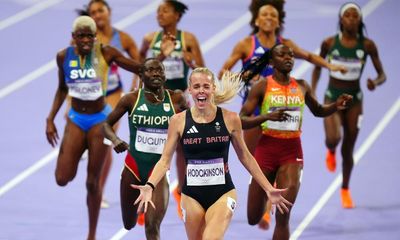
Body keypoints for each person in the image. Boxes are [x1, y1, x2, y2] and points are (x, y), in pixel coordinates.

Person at [218, 0, 347, 229]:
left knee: (283, 179)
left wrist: (331, 67)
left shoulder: (285, 46)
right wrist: (243, 79)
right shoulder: (246, 44)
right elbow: (225, 71)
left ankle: (271, 204)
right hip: (256, 112)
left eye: (273, 15)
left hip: (285, 128)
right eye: (265, 14)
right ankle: (261, 191)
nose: (269, 18)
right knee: (252, 162)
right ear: (257, 19)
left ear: (278, 21)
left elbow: (308, 56)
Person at [132, 67, 293, 240]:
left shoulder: (230, 119)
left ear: (213, 89)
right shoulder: (178, 121)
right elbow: (164, 160)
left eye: (206, 86)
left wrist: (268, 188)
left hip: (223, 193)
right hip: (191, 195)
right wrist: (149, 186)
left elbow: (245, 156)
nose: (201, 90)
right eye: (197, 86)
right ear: (190, 89)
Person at [45, 16, 146, 240]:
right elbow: (62, 88)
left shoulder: (105, 52)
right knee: (62, 178)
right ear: (73, 37)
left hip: (100, 121)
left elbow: (137, 68)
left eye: (89, 35)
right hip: (76, 119)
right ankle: (77, 153)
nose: (85, 40)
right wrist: (50, 118)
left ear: (95, 36)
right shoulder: (64, 56)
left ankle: (92, 235)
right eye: (80, 35)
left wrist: (158, 61)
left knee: (93, 182)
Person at [239, 43, 353, 239]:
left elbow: (318, 110)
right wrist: (265, 117)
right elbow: (241, 119)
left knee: (283, 216)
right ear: (272, 62)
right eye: (282, 55)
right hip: (265, 150)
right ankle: (267, 194)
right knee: (252, 217)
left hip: (291, 153)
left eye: (291, 54)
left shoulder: (301, 85)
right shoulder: (262, 86)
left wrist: (336, 105)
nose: (288, 57)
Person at [311, 2, 386, 208]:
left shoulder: (368, 46)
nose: (352, 18)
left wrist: (375, 82)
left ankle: (345, 188)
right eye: (348, 15)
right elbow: (318, 66)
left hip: (355, 102)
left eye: (355, 16)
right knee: (334, 138)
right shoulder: (329, 43)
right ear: (341, 19)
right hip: (332, 99)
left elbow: (382, 75)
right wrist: (313, 90)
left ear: (360, 20)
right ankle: (330, 149)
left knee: (349, 149)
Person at [103, 58, 187, 239]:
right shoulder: (131, 99)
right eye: (151, 70)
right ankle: (139, 209)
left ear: (165, 75)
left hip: (159, 171)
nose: (156, 73)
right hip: (133, 168)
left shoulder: (177, 99)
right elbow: (106, 124)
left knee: (152, 226)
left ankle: (148, 207)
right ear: (141, 75)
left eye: (160, 70)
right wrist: (115, 139)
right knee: (129, 223)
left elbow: (191, 125)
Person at [139, 0, 205, 219]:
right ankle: (146, 196)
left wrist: (192, 62)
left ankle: (180, 190)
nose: (160, 14)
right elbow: (141, 66)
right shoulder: (150, 39)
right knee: (153, 148)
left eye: (165, 11)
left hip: (178, 100)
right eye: (158, 11)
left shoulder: (188, 39)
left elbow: (203, 71)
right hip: (156, 100)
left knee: (181, 149)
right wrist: (135, 91)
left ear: (177, 15)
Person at [76, 0, 141, 209]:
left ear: (109, 12)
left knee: (106, 140)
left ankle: (99, 191)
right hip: (88, 94)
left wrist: (134, 88)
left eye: (100, 10)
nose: (97, 15)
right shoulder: (84, 40)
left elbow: (140, 65)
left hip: (112, 93)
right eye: (93, 12)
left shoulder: (121, 38)